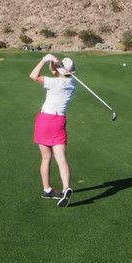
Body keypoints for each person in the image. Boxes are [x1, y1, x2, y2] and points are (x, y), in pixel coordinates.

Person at [29, 53, 76, 207]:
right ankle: (66, 187)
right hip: (59, 121)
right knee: (61, 158)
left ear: (62, 71)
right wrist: (54, 63)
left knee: (45, 158)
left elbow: (33, 75)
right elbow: (54, 71)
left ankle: (47, 189)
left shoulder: (54, 83)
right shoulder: (71, 83)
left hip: (45, 121)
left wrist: (44, 59)